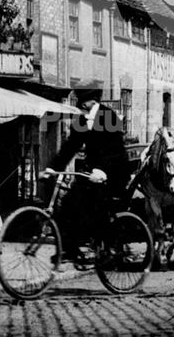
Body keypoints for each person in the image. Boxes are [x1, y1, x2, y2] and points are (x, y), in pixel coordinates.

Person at [43, 96, 129, 260]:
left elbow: (115, 149)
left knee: (95, 205)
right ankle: (70, 249)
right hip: (91, 172)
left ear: (92, 100)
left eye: (83, 99)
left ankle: (109, 245)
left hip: (114, 171)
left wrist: (102, 170)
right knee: (68, 203)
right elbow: (70, 146)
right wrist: (52, 168)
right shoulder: (82, 119)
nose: (80, 104)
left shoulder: (108, 116)